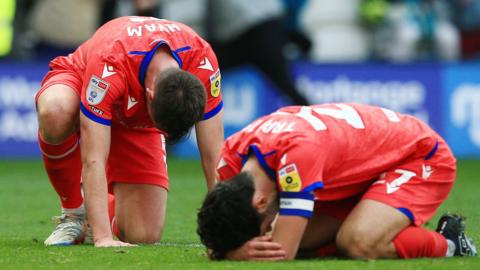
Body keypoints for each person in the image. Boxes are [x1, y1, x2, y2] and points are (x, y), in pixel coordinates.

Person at [197, 103, 477, 260]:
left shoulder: (297, 156)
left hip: (419, 157)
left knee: (357, 243)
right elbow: (218, 226)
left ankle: (449, 242)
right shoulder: (232, 157)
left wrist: (234, 255)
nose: (263, 230)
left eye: (259, 227)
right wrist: (225, 247)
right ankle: (382, 218)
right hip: (362, 170)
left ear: (259, 202)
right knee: (289, 238)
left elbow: (282, 253)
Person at [36, 16, 224, 247]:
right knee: (56, 112)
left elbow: (214, 157)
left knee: (143, 234)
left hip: (136, 120)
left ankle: (97, 208)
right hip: (84, 80)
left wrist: (227, 231)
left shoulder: (202, 61)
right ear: (150, 95)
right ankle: (74, 214)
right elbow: (93, 159)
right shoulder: (111, 61)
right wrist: (104, 238)